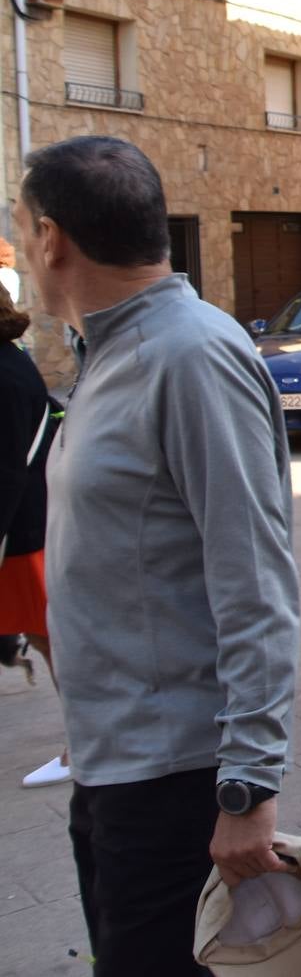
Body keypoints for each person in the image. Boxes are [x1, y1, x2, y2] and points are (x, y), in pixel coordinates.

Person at [15, 136, 299, 971]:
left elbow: (256, 581)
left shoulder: (190, 355)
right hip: (112, 765)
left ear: (53, 239)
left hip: (176, 781)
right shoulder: (109, 354)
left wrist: (248, 788)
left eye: (23, 227)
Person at [1, 279, 66, 788]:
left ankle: (84, 747)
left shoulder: (6, 372)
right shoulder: (10, 363)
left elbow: (8, 469)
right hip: (23, 531)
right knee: (50, 640)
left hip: (21, 535)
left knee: (54, 642)